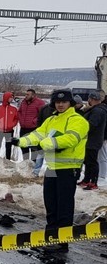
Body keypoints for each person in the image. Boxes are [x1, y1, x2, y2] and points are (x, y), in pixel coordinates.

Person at [16, 90, 88, 251]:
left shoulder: (77, 120)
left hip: (68, 168)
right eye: (57, 102)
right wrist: (21, 141)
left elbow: (70, 139)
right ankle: (50, 237)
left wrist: (47, 143)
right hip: (52, 167)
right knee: (51, 204)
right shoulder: (51, 120)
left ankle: (62, 242)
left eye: (64, 102)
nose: (60, 105)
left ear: (70, 103)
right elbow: (38, 134)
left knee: (64, 207)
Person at [80, 93, 106, 190]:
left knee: (92, 162)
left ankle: (93, 182)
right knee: (87, 161)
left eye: (89, 99)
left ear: (91, 99)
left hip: (93, 140)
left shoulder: (98, 111)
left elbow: (91, 125)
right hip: (91, 140)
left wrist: (81, 128)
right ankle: (86, 179)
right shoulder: (96, 109)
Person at [17, 89, 46, 162]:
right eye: (25, 94)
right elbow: (19, 112)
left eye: (28, 94)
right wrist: (21, 120)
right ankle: (26, 162)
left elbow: (43, 114)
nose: (26, 96)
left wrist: (34, 121)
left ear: (33, 95)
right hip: (23, 128)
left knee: (33, 147)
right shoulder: (23, 102)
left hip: (33, 128)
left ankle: (33, 163)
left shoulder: (40, 102)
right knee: (23, 146)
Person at [0, 92, 19, 160]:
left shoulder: (14, 108)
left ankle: (8, 161)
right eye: (10, 97)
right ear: (6, 98)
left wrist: (12, 124)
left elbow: (16, 118)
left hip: (9, 131)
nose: (12, 99)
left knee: (8, 146)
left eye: (12, 97)